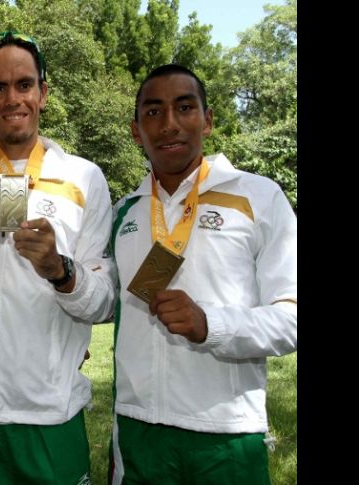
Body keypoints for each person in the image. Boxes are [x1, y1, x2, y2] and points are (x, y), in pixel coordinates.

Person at [0, 31, 117, 484]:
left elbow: (105, 301)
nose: (13, 98)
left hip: (48, 417)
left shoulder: (84, 179)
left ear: (43, 93)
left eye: (24, 84)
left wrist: (59, 270)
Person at [108, 64, 297, 484]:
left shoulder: (259, 197)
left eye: (185, 108)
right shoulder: (124, 211)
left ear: (208, 121)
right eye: (153, 112)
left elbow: (291, 318)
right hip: (139, 428)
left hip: (225, 434)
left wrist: (211, 323)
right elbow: (104, 299)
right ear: (136, 131)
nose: (169, 125)